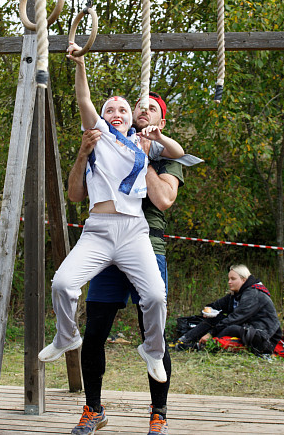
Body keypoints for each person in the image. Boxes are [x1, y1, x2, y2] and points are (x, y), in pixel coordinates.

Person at [38, 42, 184, 387]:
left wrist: (158, 136)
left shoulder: (142, 140)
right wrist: (80, 65)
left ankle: (152, 348)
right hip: (99, 231)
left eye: (122, 108)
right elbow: (83, 100)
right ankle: (65, 336)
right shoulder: (99, 137)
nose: (116, 112)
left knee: (154, 297)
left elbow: (179, 151)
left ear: (132, 116)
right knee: (62, 284)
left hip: (134, 231)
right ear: (103, 117)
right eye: (110, 109)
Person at [68, 92, 188, 435]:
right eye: (139, 107)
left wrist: (144, 157)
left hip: (147, 247)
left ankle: (158, 413)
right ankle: (93, 410)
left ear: (161, 122)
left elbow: (163, 199)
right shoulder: (108, 140)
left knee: (154, 336)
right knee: (94, 333)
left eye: (152, 109)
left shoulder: (167, 155)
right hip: (107, 247)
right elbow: (76, 193)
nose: (143, 111)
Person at [172, 265, 281, 355]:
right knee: (215, 319)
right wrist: (208, 310)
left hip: (263, 335)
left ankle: (199, 347)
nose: (229, 282)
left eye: (233, 279)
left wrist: (211, 333)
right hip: (247, 327)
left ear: (244, 280)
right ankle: (183, 340)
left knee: (230, 327)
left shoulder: (253, 294)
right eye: (229, 279)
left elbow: (235, 318)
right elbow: (216, 305)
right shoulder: (236, 293)